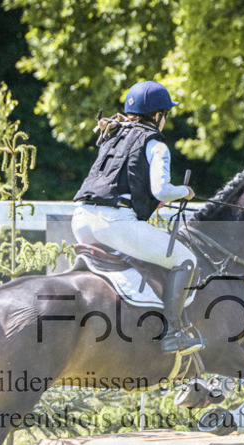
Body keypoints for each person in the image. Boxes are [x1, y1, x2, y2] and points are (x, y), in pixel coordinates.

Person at [72, 80, 202, 355]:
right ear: (157, 115)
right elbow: (161, 190)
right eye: (166, 115)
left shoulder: (113, 134)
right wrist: (185, 192)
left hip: (81, 220)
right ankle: (173, 333)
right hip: (114, 225)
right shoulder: (155, 143)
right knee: (186, 260)